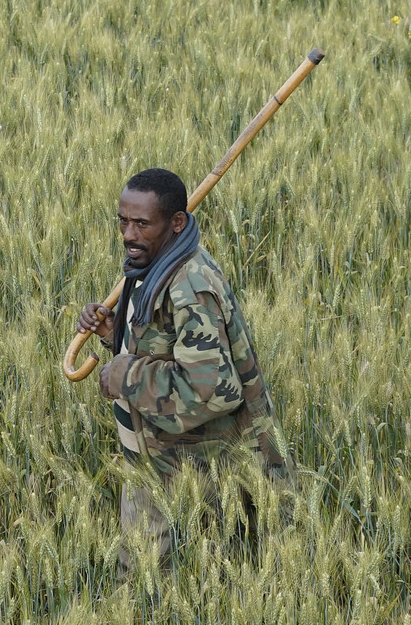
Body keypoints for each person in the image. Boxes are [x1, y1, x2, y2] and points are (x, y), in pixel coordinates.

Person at [76, 168, 288, 574]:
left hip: (192, 463)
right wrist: (114, 334)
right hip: (154, 454)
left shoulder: (189, 286)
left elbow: (213, 389)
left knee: (145, 581)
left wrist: (126, 376)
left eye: (142, 223)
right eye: (123, 220)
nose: (128, 234)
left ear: (176, 222)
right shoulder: (153, 266)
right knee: (152, 580)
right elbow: (166, 346)